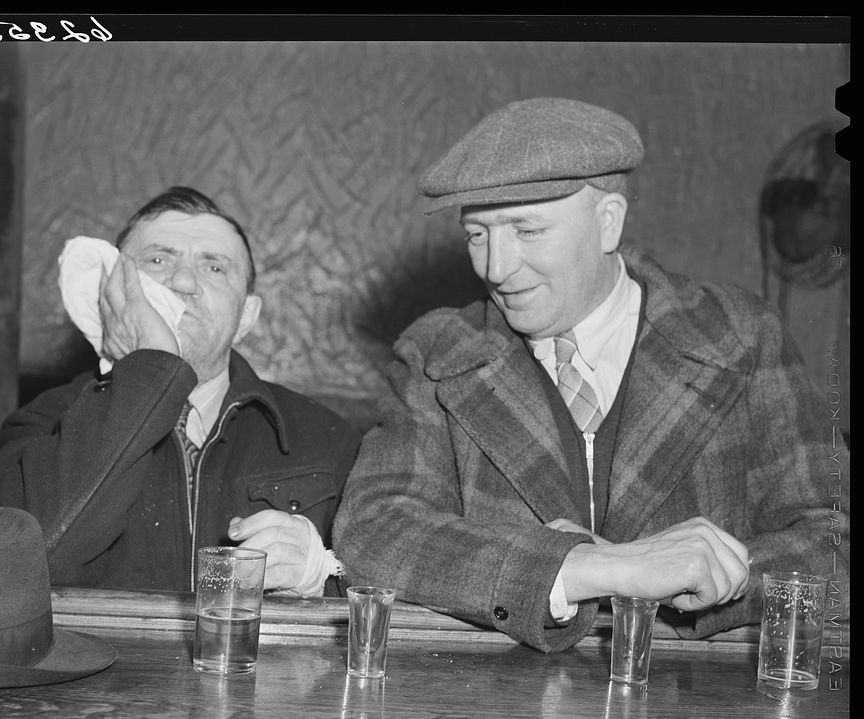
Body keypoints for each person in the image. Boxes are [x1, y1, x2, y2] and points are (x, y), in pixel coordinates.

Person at [332, 98, 848, 652]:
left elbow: (833, 543)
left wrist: (721, 577)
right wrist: (591, 569)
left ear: (608, 223)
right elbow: (374, 530)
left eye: (527, 231)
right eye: (477, 236)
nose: (496, 269)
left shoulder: (743, 336)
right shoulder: (435, 353)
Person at [0, 186, 360, 597]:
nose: (182, 281)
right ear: (112, 292)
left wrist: (323, 574)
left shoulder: (326, 438)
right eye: (158, 260)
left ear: (247, 317)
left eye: (214, 267)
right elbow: (22, 568)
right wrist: (152, 363)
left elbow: (376, 607)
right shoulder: (43, 421)